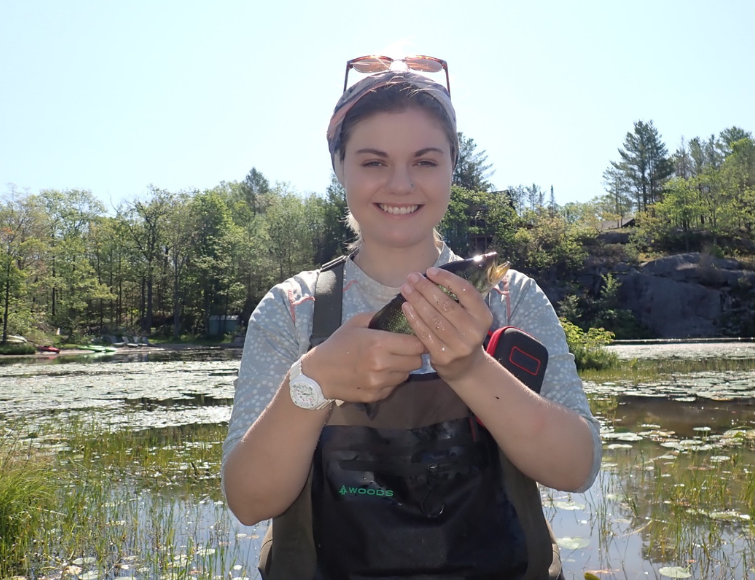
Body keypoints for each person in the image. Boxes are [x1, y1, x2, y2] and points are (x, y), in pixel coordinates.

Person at [222, 55, 602, 580]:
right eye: (373, 162)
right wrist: (312, 382)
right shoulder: (292, 309)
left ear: (453, 164)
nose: (400, 185)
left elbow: (576, 468)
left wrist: (471, 368)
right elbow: (247, 500)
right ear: (338, 166)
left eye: (425, 161)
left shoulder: (512, 298)